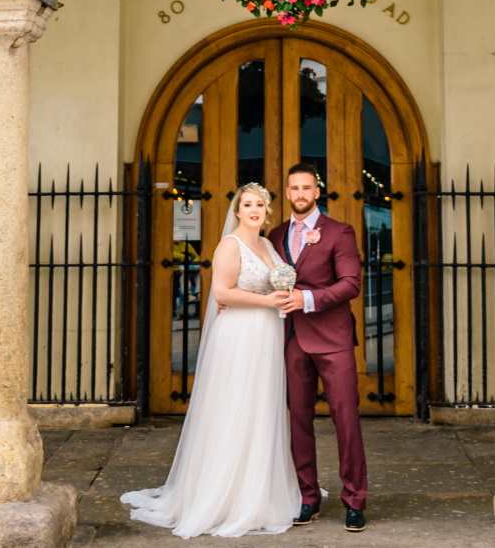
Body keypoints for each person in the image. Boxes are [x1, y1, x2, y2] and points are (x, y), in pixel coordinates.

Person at [120, 183, 301, 537]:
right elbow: (222, 293)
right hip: (239, 336)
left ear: (268, 211)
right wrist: (269, 302)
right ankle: (227, 496)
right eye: (247, 204)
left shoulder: (266, 244)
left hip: (266, 335)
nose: (254, 210)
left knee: (261, 408)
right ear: (237, 210)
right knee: (235, 406)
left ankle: (261, 491)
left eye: (260, 204)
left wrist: (284, 294)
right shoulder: (229, 246)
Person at [266, 163, 367, 532]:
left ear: (317, 192)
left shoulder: (339, 232)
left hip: (333, 340)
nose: (300, 194)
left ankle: (355, 499)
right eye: (294, 188)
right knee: (297, 420)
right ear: (288, 193)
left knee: (345, 419)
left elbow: (350, 284)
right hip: (292, 339)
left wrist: (306, 298)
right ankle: (307, 497)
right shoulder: (275, 235)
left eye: (307, 188)